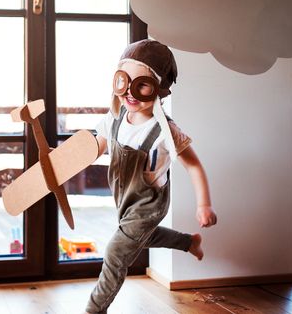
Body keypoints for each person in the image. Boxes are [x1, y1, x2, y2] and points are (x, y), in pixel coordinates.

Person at [85, 39, 217, 314]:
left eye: (142, 84)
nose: (130, 92)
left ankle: (94, 310)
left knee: (116, 251)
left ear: (159, 90)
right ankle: (187, 242)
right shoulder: (116, 118)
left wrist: (204, 204)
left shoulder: (165, 130)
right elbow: (95, 146)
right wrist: (62, 158)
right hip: (124, 197)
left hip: (149, 201)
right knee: (139, 237)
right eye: (124, 80)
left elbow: (194, 166)